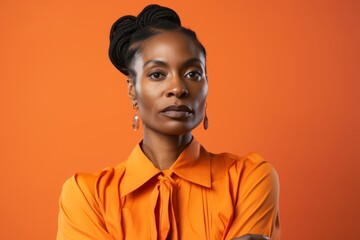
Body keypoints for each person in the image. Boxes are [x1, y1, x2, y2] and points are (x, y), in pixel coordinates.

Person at [56, 4, 280, 240]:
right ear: (132, 90)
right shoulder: (87, 196)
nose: (178, 88)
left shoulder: (249, 179)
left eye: (193, 73)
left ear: (206, 84)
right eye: (157, 74)